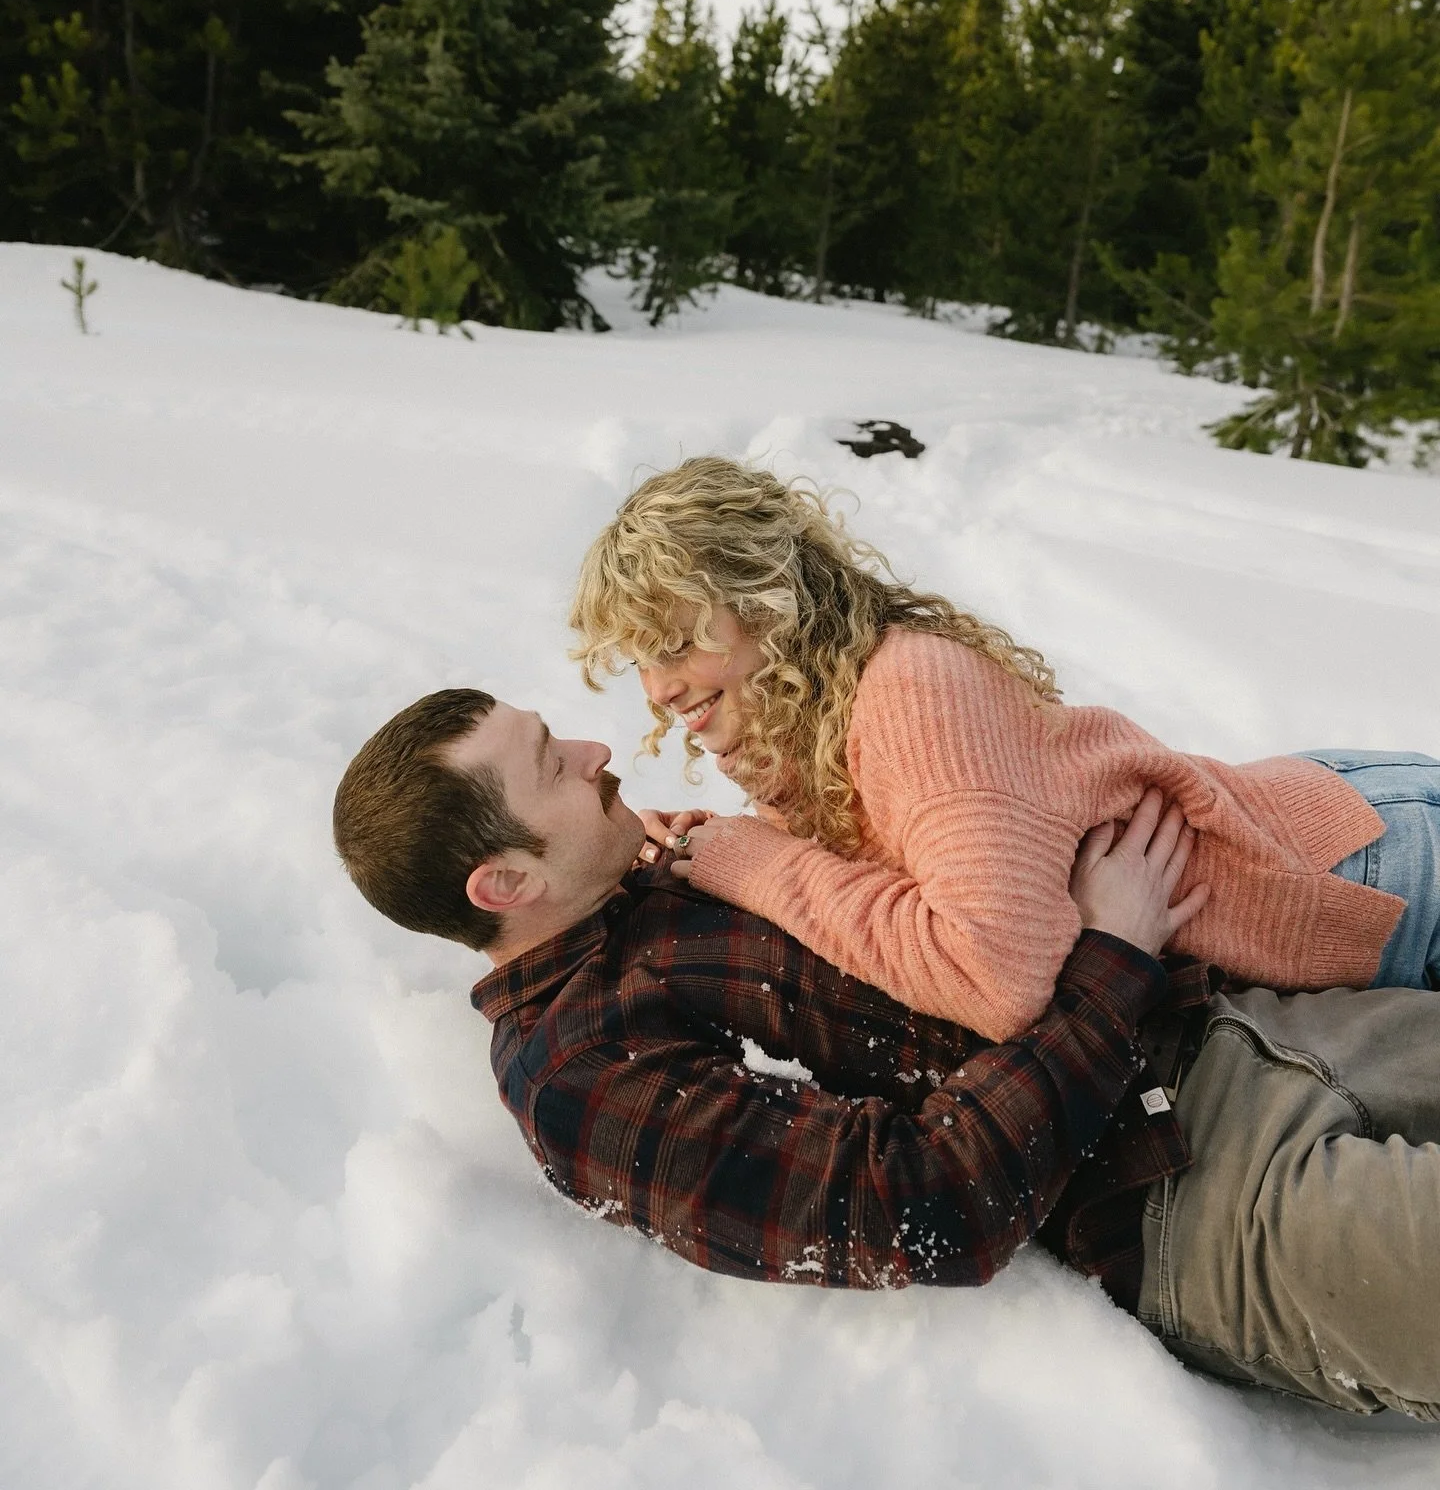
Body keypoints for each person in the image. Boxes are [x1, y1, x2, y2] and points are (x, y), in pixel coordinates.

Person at [332, 688, 1440, 1418]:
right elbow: (923, 1202)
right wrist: (1108, 955)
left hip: (1244, 1028)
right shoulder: (582, 1078)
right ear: (505, 886)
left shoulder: (661, 865)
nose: (596, 748)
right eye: (552, 765)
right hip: (1186, 1200)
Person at [569, 455, 1440, 1040]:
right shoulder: (802, 731)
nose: (658, 687)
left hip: (1369, 872)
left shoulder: (912, 692)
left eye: (677, 644)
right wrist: (717, 853)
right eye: (642, 660)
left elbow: (994, 973)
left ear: (765, 606)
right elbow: (890, 892)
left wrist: (761, 866)